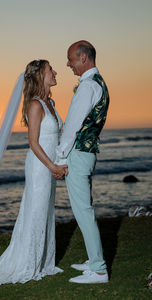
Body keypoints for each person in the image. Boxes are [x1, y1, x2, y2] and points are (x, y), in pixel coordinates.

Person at [0, 59, 68, 285]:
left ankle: (43, 262)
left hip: (50, 166)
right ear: (40, 75)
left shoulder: (50, 103)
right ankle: (28, 264)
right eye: (51, 70)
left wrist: (60, 163)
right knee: (35, 214)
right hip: (40, 167)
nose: (55, 72)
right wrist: (52, 166)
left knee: (45, 212)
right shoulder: (36, 105)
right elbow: (34, 143)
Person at [54, 41, 109, 284]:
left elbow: (73, 125)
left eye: (71, 59)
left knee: (83, 211)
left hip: (78, 153)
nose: (68, 64)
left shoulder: (87, 86)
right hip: (88, 153)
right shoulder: (98, 83)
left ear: (83, 57)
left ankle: (98, 270)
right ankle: (93, 259)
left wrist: (60, 157)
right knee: (85, 208)